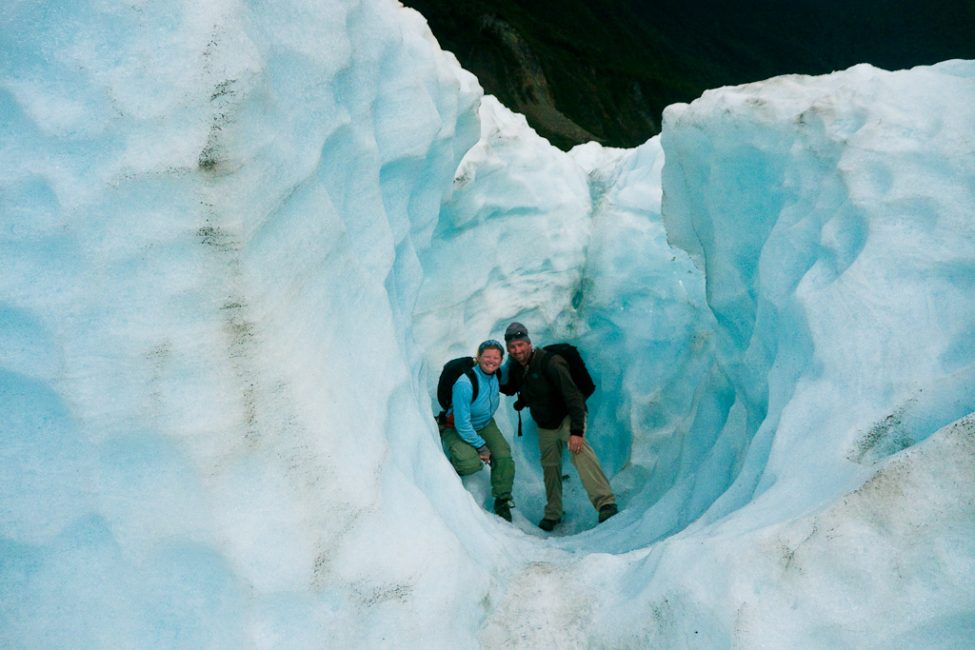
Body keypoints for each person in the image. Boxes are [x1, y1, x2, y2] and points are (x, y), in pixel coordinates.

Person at [502, 322, 617, 531]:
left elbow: (573, 397)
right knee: (550, 466)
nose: (517, 350)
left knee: (580, 452)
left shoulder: (551, 362)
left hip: (568, 417)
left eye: (520, 345)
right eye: (512, 347)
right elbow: (513, 388)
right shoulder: (516, 367)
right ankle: (553, 513)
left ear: (529, 343)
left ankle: (605, 503)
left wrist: (575, 432)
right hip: (545, 423)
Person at [440, 340, 515, 521]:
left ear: (500, 360)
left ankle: (502, 500)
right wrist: (481, 446)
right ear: (478, 357)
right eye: (487, 356)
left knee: (503, 456)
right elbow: (462, 424)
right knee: (471, 463)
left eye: (496, 357)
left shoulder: (496, 374)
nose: (491, 361)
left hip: (484, 424)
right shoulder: (465, 383)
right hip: (456, 426)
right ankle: (450, 467)